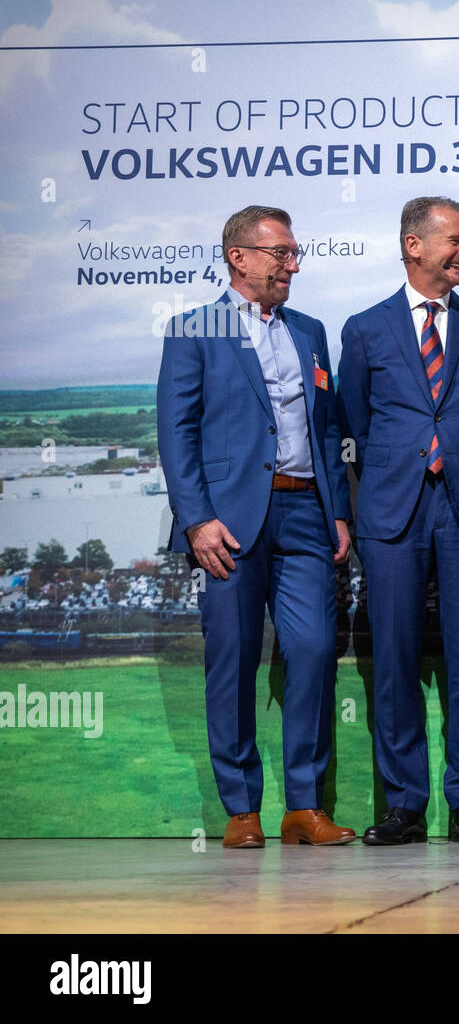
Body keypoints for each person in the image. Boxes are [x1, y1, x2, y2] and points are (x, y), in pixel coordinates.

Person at [157, 205, 355, 849]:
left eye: (296, 254)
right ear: (239, 257)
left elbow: (327, 428)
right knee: (234, 661)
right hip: (228, 525)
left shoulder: (311, 330)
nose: (292, 264)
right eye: (280, 253)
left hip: (305, 514)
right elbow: (176, 433)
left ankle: (304, 807)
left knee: (315, 650)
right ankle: (242, 810)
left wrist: (338, 511)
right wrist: (196, 521)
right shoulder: (193, 329)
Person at [339, 196, 459, 846]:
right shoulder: (364, 329)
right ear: (415, 245)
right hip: (392, 511)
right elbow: (354, 420)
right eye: (456, 240)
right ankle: (403, 805)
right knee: (395, 663)